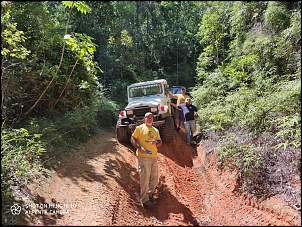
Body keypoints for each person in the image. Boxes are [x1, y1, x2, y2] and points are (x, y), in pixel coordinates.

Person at [130, 112, 162, 208]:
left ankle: (150, 194)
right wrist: (140, 148)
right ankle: (145, 200)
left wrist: (156, 142)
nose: (149, 119)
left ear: (153, 119)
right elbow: (132, 139)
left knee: (154, 178)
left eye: (151, 117)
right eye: (148, 117)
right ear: (144, 119)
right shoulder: (139, 128)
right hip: (143, 158)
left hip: (153, 157)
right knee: (145, 178)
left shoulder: (155, 130)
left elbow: (160, 142)